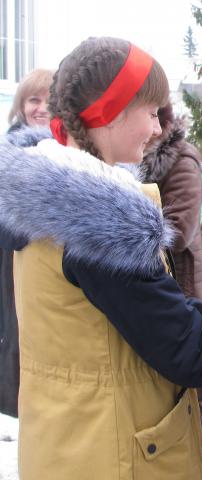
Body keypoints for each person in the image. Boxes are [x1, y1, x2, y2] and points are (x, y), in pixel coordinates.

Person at [0, 37, 202, 480]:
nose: (156, 129)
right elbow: (188, 351)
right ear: (108, 112)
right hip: (114, 458)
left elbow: (156, 314)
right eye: (151, 113)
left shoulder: (47, 199)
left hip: (69, 444)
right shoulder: (97, 222)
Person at [139, 104, 202, 473]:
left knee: (192, 398)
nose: (150, 126)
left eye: (155, 117)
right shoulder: (141, 159)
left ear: (165, 120)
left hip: (184, 285)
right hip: (164, 283)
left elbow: (181, 229)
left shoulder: (181, 161)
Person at [0, 68, 54, 419]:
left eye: (50, 100)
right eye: (35, 99)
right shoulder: (11, 151)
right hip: (14, 260)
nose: (42, 108)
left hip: (47, 266)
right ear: (21, 104)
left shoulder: (60, 149)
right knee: (19, 335)